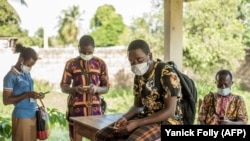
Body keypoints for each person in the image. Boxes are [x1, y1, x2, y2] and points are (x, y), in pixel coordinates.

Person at [95, 39, 182, 141]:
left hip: (167, 121)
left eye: (139, 60)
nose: (135, 64)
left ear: (150, 56)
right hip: (146, 117)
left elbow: (170, 111)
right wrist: (124, 118)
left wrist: (137, 123)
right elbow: (138, 106)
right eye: (131, 61)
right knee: (101, 136)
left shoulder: (166, 73)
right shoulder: (138, 75)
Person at [60, 35, 110, 141]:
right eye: (83, 52)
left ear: (94, 49)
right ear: (79, 48)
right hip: (76, 109)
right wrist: (75, 89)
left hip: (95, 109)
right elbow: (63, 87)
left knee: (97, 137)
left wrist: (96, 89)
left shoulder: (100, 63)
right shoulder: (71, 64)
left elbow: (106, 88)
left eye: (89, 52)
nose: (86, 54)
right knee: (76, 137)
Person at [2, 43, 44, 141]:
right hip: (22, 117)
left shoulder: (26, 74)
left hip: (33, 115)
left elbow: (28, 92)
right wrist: (27, 95)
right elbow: (6, 101)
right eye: (29, 65)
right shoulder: (10, 77)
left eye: (32, 66)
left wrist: (37, 95)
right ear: (21, 60)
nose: (30, 68)